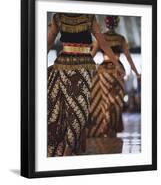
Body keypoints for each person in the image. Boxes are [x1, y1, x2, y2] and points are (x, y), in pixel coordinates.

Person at [47, 13, 124, 157]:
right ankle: (65, 156)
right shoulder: (58, 17)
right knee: (69, 111)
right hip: (64, 65)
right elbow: (48, 42)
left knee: (80, 113)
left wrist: (116, 64)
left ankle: (67, 153)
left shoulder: (89, 17)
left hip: (84, 67)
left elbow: (102, 42)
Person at [88, 16, 141, 138]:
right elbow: (128, 58)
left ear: (106, 24)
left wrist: (82, 63)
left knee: (106, 100)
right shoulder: (121, 38)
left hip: (104, 71)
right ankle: (110, 127)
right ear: (117, 24)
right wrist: (136, 73)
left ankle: (105, 126)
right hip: (118, 71)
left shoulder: (101, 38)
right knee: (116, 101)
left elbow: (91, 55)